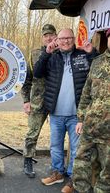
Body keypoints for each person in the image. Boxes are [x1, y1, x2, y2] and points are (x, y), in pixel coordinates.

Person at [34, 28, 98, 193]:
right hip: (55, 113)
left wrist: (92, 53)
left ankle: (72, 179)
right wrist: (46, 53)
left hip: (77, 115)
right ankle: (57, 173)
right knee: (55, 146)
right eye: (62, 38)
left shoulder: (83, 55)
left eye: (69, 38)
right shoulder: (52, 57)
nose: (66, 41)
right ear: (57, 40)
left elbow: (99, 68)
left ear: (74, 39)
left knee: (76, 148)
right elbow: (37, 73)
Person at [72, 28, 110, 193]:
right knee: (81, 164)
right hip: (90, 127)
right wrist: (80, 118)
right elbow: (86, 93)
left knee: (107, 173)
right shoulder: (97, 61)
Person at [21, 24, 57, 178]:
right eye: (45, 35)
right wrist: (26, 100)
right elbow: (27, 79)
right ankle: (28, 159)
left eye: (51, 35)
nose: (49, 38)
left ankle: (56, 165)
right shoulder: (34, 54)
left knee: (57, 134)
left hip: (57, 100)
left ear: (56, 36)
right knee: (32, 132)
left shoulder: (62, 52)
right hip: (38, 100)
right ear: (42, 37)